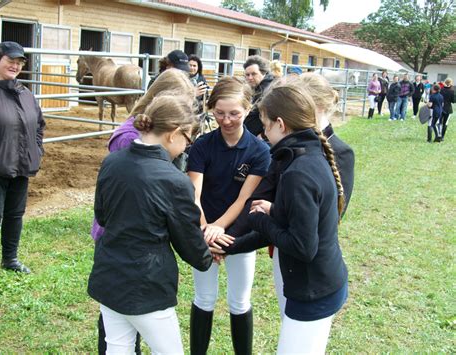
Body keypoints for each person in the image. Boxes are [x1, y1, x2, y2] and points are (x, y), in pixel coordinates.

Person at [214, 81, 348, 354]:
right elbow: (300, 217)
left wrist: (261, 219)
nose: (262, 134)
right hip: (321, 283)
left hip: (313, 289)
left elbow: (303, 246)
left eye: (264, 126)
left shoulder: (298, 171)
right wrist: (270, 214)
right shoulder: (305, 156)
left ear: (281, 124)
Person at [88, 93, 212, 354]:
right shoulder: (175, 181)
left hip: (110, 274)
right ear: (173, 133)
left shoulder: (112, 162)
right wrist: (206, 257)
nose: (186, 147)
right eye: (187, 139)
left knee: (117, 348)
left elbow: (102, 215)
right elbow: (187, 239)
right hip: (148, 284)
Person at [187, 76, 271, 355]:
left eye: (234, 113)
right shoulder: (202, 145)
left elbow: (245, 198)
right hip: (205, 232)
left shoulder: (260, 151)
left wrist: (219, 230)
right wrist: (205, 229)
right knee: (204, 297)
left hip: (239, 233)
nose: (226, 120)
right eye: (219, 113)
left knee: (239, 300)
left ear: (249, 110)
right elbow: (194, 192)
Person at [0, 41, 45, 286]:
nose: (15, 65)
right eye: (11, 60)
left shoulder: (25, 93)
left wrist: (37, 149)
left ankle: (10, 259)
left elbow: (39, 125)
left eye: (19, 62)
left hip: (21, 165)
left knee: (15, 215)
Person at [243, 55, 275, 137]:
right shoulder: (256, 88)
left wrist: (263, 135)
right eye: (247, 75)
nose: (250, 78)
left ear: (263, 73)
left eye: (254, 74)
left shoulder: (269, 90)